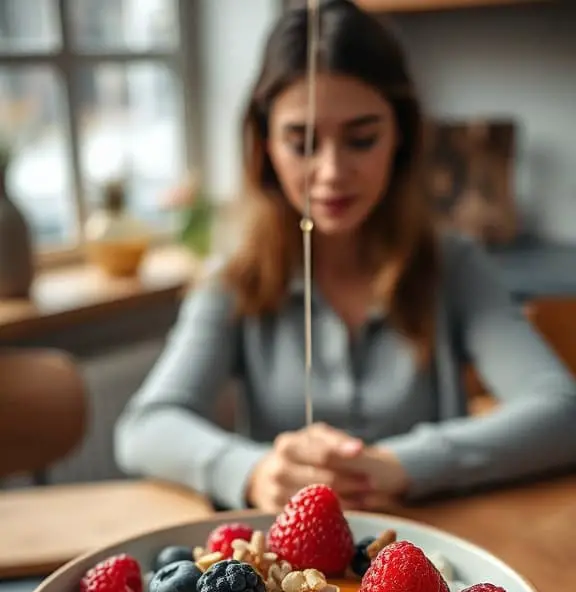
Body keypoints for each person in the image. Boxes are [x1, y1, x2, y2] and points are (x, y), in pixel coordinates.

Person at [115, 0, 576, 513]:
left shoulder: (452, 265)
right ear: (264, 144)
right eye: (302, 143)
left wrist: (404, 466)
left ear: (400, 136)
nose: (332, 172)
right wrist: (254, 471)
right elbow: (145, 427)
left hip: (427, 563)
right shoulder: (235, 280)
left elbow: (562, 410)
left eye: (361, 139)